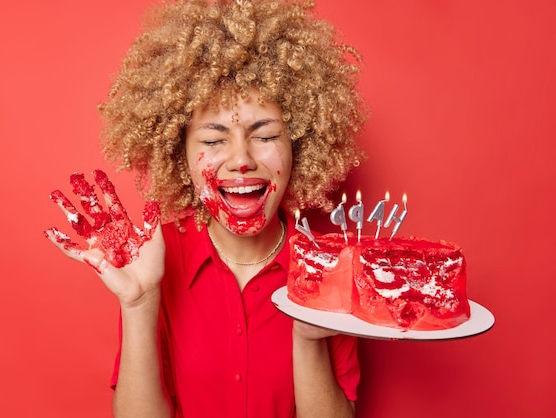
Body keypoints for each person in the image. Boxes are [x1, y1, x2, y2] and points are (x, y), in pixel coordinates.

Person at [45, 0, 366, 416]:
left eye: (264, 135)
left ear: (299, 148)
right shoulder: (155, 258)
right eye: (213, 141)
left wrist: (308, 337)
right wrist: (140, 305)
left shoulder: (329, 267)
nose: (241, 159)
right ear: (181, 157)